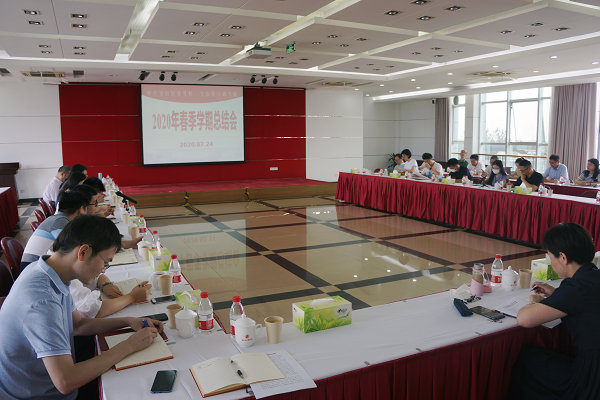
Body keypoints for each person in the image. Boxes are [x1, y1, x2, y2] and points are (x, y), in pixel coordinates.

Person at [0, 215, 161, 399]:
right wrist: (130, 345)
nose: (103, 270)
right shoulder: (42, 299)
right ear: (83, 252)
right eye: (105, 262)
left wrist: (129, 321)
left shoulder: (49, 271)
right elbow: (65, 382)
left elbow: (78, 325)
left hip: (49, 380)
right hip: (39, 394)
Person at [511, 223, 600, 399]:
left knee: (527, 358)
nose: (551, 263)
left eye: (551, 258)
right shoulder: (592, 276)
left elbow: (524, 319)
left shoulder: (575, 288)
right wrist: (556, 294)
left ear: (563, 258)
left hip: (589, 379)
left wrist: (534, 302)